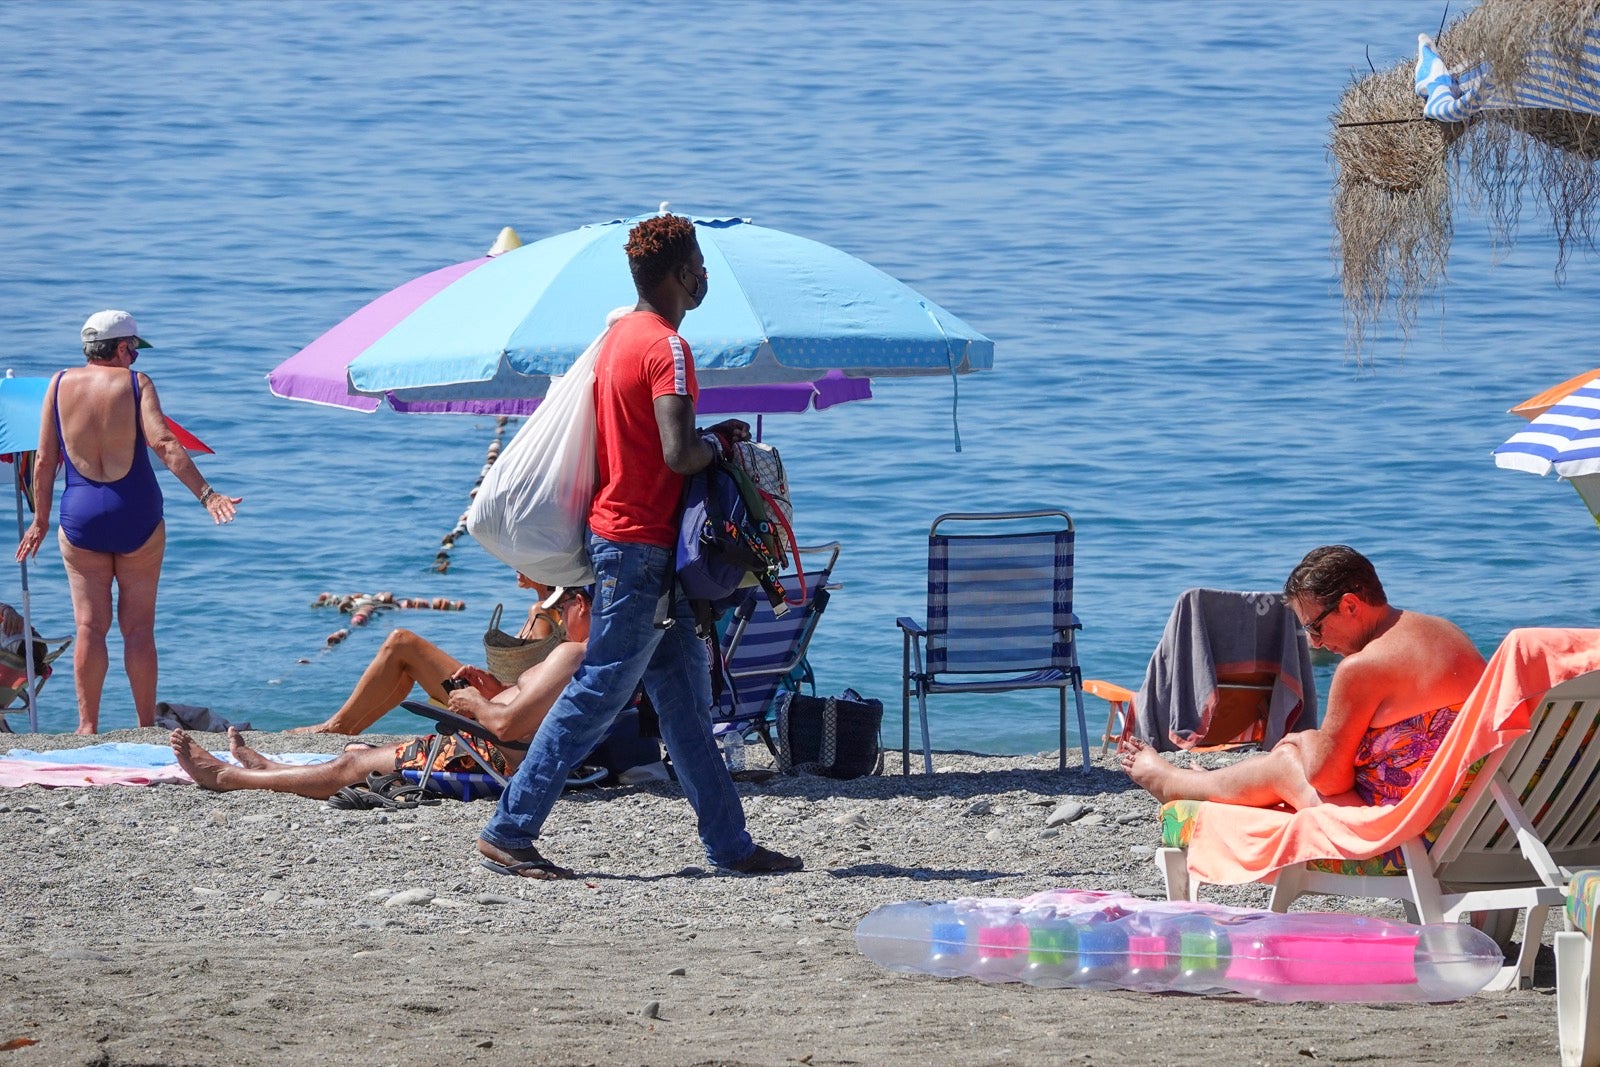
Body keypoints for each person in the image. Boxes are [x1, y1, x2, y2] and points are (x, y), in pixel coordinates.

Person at [476, 213, 802, 880]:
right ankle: (509, 829)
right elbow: (680, 453)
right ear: (683, 275)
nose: (706, 275)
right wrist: (722, 445)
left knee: (685, 705)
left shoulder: (619, 335)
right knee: (597, 691)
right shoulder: (669, 350)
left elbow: (637, 443)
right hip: (639, 547)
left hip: (622, 542)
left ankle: (731, 844)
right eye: (701, 266)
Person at [1120, 545, 1487, 811]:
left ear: (1349, 605)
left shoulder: (1363, 668)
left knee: (1287, 762)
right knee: (1291, 755)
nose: (1316, 643)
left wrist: (1307, 740)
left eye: (1315, 627)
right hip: (1472, 808)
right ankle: (1203, 784)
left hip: (1402, 822)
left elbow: (1328, 781)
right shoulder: (1448, 634)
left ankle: (1174, 782)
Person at [15, 311, 240, 734]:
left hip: (79, 516)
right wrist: (207, 496)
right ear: (120, 348)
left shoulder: (59, 384)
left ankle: (86, 726)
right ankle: (142, 724)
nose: (135, 356)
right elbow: (163, 442)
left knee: (89, 625)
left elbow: (45, 460)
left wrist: (39, 521)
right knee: (137, 628)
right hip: (135, 512)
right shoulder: (137, 384)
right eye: (133, 349)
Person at [170, 587, 592, 799]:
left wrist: (476, 704)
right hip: (495, 748)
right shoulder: (594, 657)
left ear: (583, 607)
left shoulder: (573, 653)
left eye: (564, 607)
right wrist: (495, 689)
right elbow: (531, 710)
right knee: (357, 754)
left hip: (491, 757)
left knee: (349, 767)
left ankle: (228, 777)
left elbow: (506, 723)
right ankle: (266, 765)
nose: (557, 615)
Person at [288, 576, 575, 735]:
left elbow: (543, 686)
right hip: (500, 698)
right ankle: (343, 726)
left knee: (402, 644)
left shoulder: (545, 612)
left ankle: (339, 726)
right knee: (403, 652)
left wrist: (490, 695)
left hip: (497, 710)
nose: (514, 565)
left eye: (522, 557)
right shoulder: (558, 609)